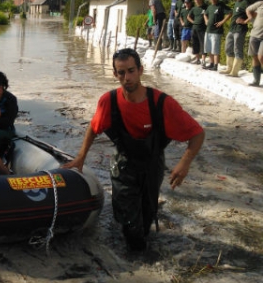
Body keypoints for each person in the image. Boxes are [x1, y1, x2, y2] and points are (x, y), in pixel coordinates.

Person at [62, 48, 205, 251]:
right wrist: (80, 157)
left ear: (140, 70)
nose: (126, 77)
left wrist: (185, 163)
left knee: (146, 219)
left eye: (131, 71)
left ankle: (141, 239)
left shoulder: (162, 103)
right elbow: (93, 129)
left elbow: (197, 134)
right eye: (121, 73)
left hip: (152, 164)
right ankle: (136, 257)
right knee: (130, 223)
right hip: (124, 165)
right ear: (115, 74)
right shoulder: (109, 101)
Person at [220, 0, 248, 77]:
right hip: (232, 29)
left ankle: (234, 71)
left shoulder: (245, 2)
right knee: (228, 48)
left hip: (240, 30)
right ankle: (229, 68)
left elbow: (253, 14)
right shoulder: (237, 2)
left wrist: (244, 21)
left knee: (237, 50)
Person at [203, 0, 232, 71]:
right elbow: (205, 14)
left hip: (216, 31)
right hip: (208, 30)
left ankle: (216, 65)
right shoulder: (209, 7)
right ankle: (211, 63)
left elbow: (230, 13)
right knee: (208, 48)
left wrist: (222, 22)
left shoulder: (221, 6)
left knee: (215, 48)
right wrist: (206, 20)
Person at [241, 0, 263, 86]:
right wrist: (250, 18)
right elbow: (248, 9)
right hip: (254, 34)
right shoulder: (260, 4)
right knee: (255, 57)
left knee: (261, 57)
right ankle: (256, 81)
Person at [187, 0, 207, 65]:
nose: (197, 1)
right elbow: (188, 17)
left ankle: (203, 60)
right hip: (194, 28)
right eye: (195, 0)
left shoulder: (205, 7)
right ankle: (197, 59)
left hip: (202, 28)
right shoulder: (193, 9)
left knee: (203, 44)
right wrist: (193, 22)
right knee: (195, 43)